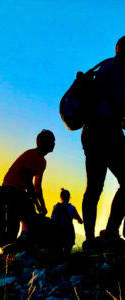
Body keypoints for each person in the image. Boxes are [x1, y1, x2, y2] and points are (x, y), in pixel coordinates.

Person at [81, 36, 125, 250]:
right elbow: (121, 102)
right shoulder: (120, 69)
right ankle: (110, 231)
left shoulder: (105, 66)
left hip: (91, 133)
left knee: (94, 187)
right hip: (109, 132)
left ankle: (90, 239)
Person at [0, 129, 55, 247]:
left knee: (23, 220)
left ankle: (13, 248)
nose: (54, 143)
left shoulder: (42, 161)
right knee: (18, 221)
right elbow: (28, 181)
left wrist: (42, 205)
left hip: (19, 190)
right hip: (11, 188)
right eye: (52, 141)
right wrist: (36, 203)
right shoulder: (32, 155)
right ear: (43, 143)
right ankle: (11, 249)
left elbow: (37, 186)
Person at [51, 188, 83, 254]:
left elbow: (52, 219)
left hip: (57, 233)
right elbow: (80, 221)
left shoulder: (55, 207)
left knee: (58, 253)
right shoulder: (72, 208)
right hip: (68, 233)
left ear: (60, 197)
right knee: (67, 253)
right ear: (69, 198)